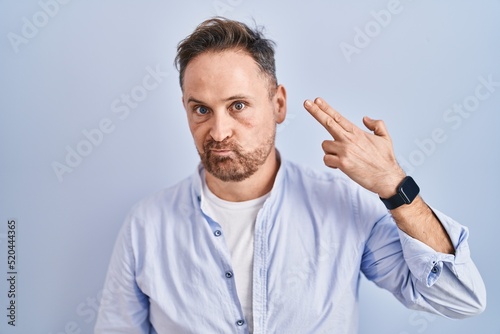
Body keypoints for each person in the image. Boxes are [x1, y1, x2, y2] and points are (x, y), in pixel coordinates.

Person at [94, 17, 486, 334]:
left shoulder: (342, 207)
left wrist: (395, 186)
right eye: (201, 109)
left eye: (238, 105)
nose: (218, 131)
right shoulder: (146, 226)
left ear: (278, 104)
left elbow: (461, 299)